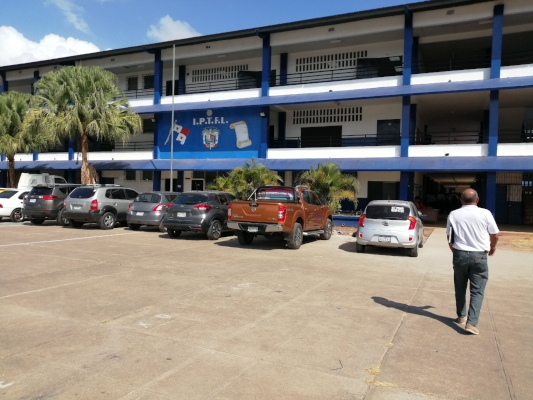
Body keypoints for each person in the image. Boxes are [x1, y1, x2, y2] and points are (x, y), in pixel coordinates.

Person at [446, 188, 499, 335]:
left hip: (460, 254)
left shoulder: (453, 214)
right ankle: (471, 323)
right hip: (479, 256)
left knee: (460, 286)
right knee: (477, 290)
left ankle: (461, 316)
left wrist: (456, 252)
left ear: (461, 200)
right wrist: (492, 247)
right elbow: (494, 234)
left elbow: (449, 237)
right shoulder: (485, 213)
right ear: (477, 200)